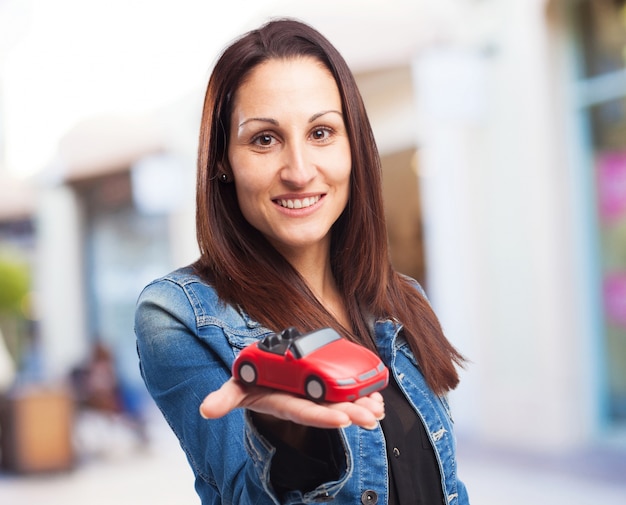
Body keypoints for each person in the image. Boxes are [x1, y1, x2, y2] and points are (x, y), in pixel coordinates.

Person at [135, 18, 469, 505]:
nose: (298, 171)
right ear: (223, 160)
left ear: (353, 146)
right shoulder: (177, 316)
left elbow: (449, 488)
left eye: (321, 132)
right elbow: (242, 495)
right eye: (264, 139)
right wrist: (288, 443)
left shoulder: (404, 301)